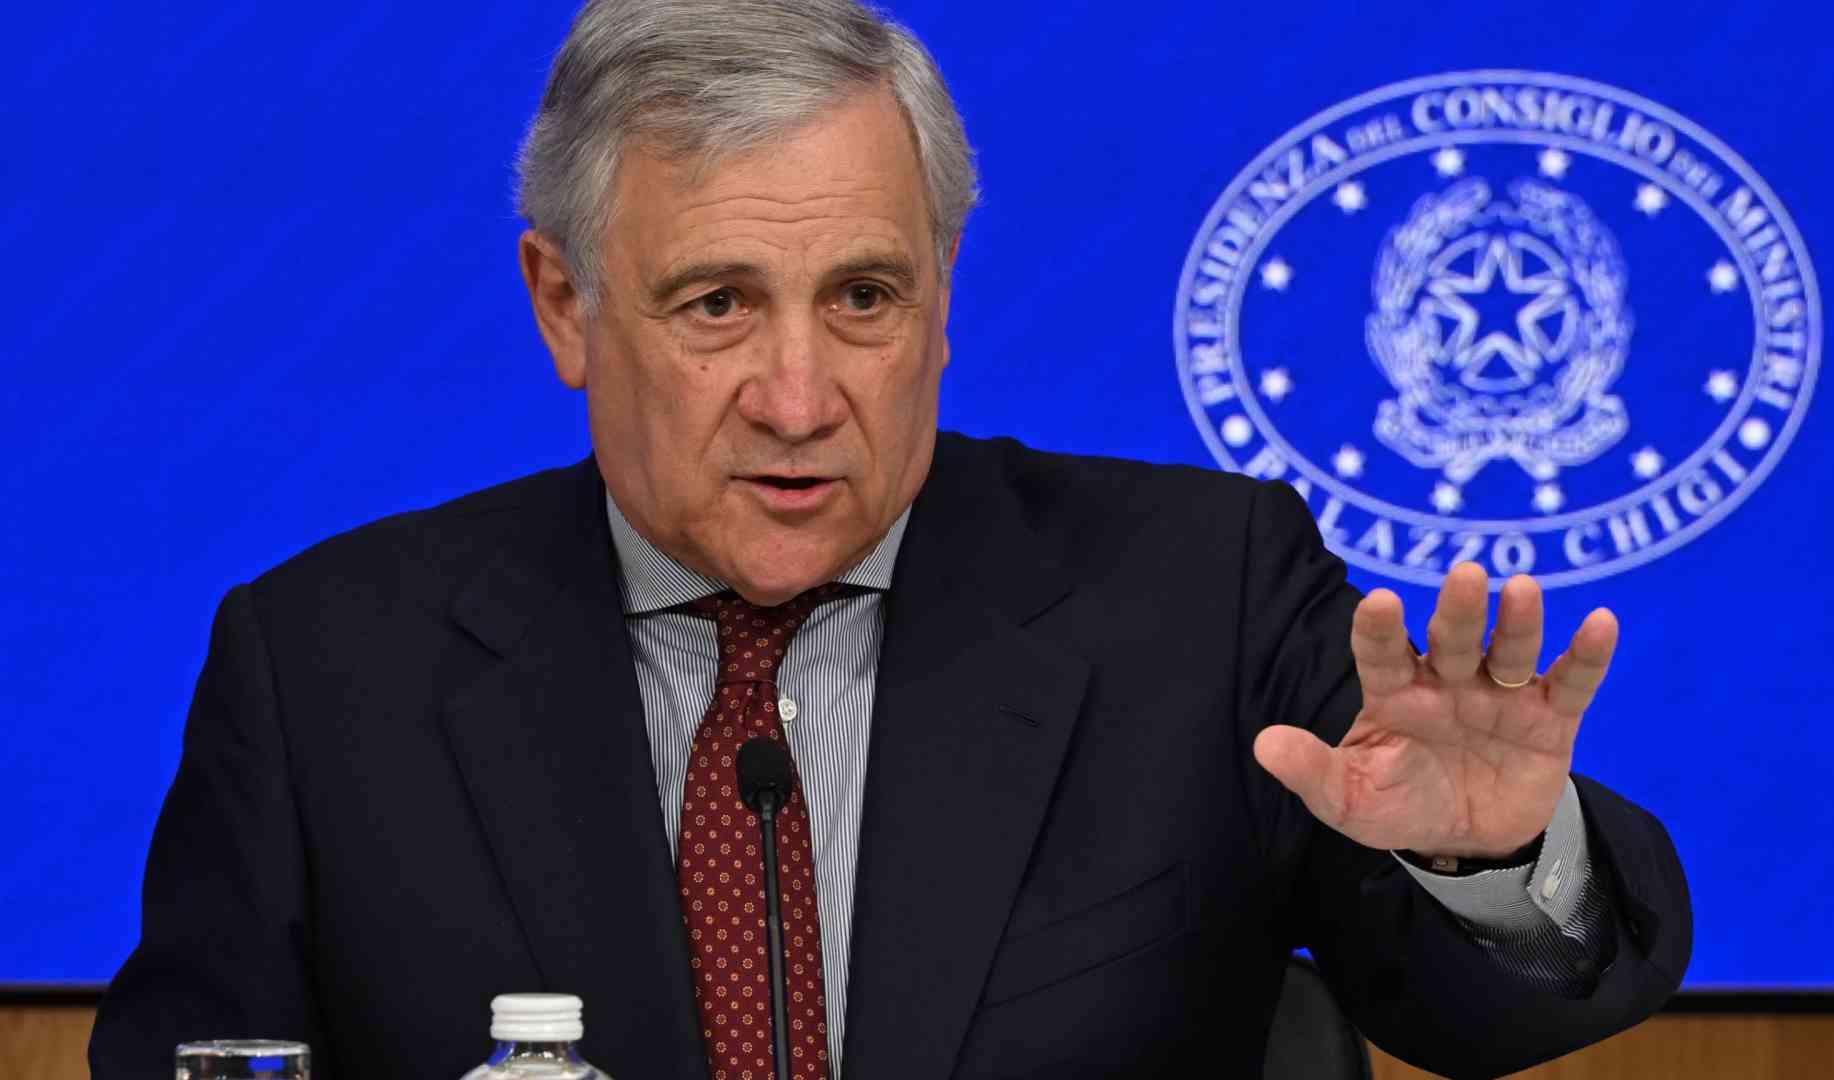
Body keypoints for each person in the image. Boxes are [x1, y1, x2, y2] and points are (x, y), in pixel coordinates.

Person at [88, 1, 1691, 1077]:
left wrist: (1479, 859)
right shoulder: (327, 669)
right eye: (717, 304)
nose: (800, 398)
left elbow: (1482, 1014)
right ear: (563, 306)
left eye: (864, 296)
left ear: (943, 296)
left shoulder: (1198, 597)